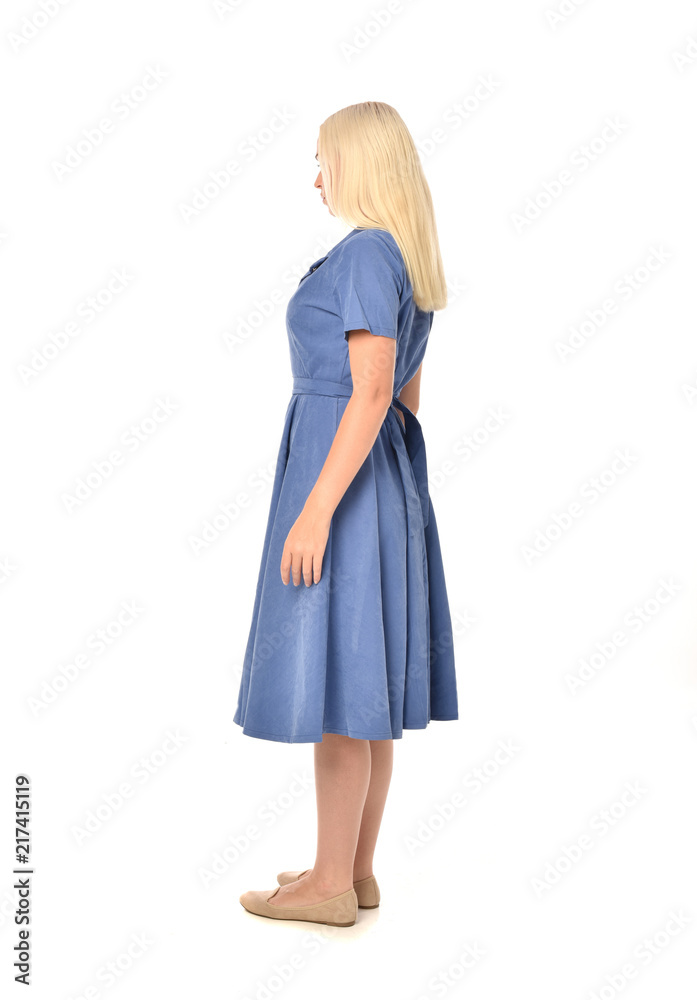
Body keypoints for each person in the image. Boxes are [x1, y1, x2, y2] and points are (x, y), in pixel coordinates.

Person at [236, 101, 459, 927]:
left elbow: (370, 390)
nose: (318, 176)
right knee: (363, 686)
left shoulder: (364, 252)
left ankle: (328, 884)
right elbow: (403, 400)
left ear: (359, 166)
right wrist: (394, 499)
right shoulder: (400, 256)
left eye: (325, 159)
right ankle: (352, 872)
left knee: (336, 684)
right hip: (381, 478)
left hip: (346, 481)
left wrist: (319, 508)